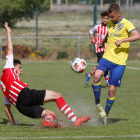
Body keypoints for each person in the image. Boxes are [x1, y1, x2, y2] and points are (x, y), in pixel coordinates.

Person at [1, 22, 91, 128]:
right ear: (13, 65)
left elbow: (7, 107)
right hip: (24, 95)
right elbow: (10, 48)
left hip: (21, 107)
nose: (21, 70)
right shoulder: (8, 67)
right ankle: (75, 120)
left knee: (50, 114)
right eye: (19, 67)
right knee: (57, 95)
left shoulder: (3, 85)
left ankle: (48, 122)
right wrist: (8, 32)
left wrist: (12, 122)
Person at [92, 4, 140, 125]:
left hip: (119, 62)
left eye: (112, 17)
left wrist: (123, 40)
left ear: (119, 13)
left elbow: (137, 36)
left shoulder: (127, 23)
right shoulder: (109, 23)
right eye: (109, 17)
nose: (110, 19)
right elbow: (109, 34)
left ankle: (105, 115)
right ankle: (97, 103)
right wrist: (103, 42)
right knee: (96, 76)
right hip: (107, 57)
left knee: (111, 90)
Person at [85, 11, 109, 86]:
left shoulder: (110, 27)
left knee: (101, 65)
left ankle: (89, 75)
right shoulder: (97, 27)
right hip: (99, 49)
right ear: (101, 19)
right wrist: (92, 39)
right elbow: (90, 31)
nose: (105, 20)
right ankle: (108, 81)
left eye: (106, 18)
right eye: (104, 18)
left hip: (107, 49)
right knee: (104, 64)